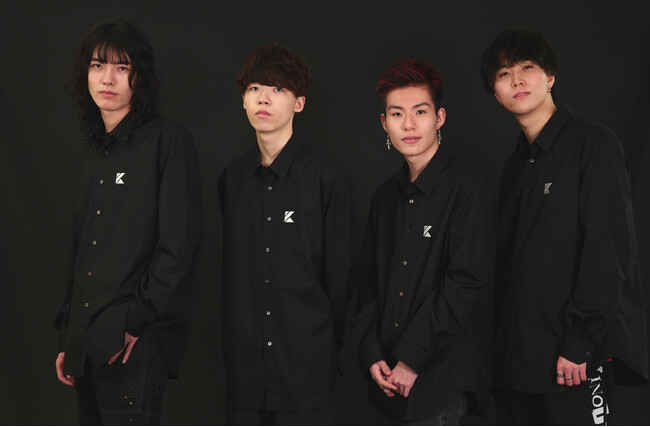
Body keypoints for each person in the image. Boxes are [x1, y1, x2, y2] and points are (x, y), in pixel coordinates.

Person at [480, 28, 648, 425]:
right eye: (503, 74)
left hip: (574, 361)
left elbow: (607, 253)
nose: (516, 80)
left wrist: (580, 343)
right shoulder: (514, 167)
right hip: (516, 364)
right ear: (496, 94)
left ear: (550, 77)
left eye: (526, 67)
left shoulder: (595, 145)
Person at [54, 19, 202, 425]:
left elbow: (178, 246)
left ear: (141, 75)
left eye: (122, 67)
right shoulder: (89, 155)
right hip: (85, 340)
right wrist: (69, 334)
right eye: (98, 65)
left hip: (135, 338)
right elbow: (81, 249)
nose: (108, 79)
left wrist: (134, 321)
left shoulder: (167, 141)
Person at [217, 44, 359, 425]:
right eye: (254, 88)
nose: (263, 98)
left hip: (307, 378)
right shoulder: (231, 180)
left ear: (299, 102)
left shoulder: (327, 182)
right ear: (243, 99)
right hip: (245, 379)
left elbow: (340, 286)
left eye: (277, 89)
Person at [351, 59, 496, 425]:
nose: (409, 125)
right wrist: (371, 353)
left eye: (420, 111)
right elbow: (367, 284)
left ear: (439, 117)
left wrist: (412, 359)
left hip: (440, 382)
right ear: (384, 123)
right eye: (397, 114)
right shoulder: (384, 198)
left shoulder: (468, 189)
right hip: (387, 381)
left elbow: (464, 282)